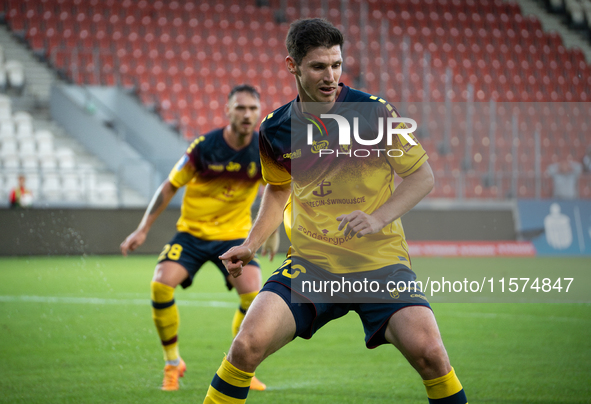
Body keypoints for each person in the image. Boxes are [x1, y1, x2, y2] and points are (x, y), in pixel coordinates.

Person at [203, 19, 468, 403]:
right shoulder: (275, 129)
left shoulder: (373, 112)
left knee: (431, 356)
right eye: (318, 66)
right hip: (312, 264)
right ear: (292, 66)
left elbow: (421, 177)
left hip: (379, 264)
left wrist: (377, 218)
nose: (330, 76)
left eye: (336, 65)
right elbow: (278, 191)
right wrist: (252, 242)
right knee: (245, 347)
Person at [120, 84, 278, 391]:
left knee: (254, 295)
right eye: (241, 108)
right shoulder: (203, 147)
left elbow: (277, 189)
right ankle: (172, 364)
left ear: (259, 113)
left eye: (252, 109)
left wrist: (271, 233)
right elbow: (169, 186)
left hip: (233, 237)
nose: (247, 115)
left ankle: (241, 369)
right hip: (192, 234)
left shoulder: (264, 149)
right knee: (160, 284)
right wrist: (143, 228)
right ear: (228, 110)